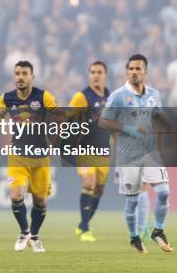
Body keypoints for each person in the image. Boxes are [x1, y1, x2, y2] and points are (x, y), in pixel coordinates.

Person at [99, 54, 174, 253]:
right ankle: (134, 237)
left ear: (145, 71)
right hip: (127, 156)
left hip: (150, 153)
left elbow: (157, 117)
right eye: (131, 69)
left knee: (164, 192)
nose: (133, 72)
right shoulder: (118, 95)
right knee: (132, 201)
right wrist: (127, 129)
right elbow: (103, 121)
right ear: (127, 71)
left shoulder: (154, 94)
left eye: (138, 69)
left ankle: (158, 230)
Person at [0, 60, 57, 253]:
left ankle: (35, 236)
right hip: (18, 156)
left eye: (24, 73)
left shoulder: (43, 97)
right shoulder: (7, 98)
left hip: (40, 157)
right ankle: (24, 232)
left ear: (32, 77)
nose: (20, 77)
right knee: (15, 196)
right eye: (17, 73)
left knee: (40, 201)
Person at [70, 61, 110, 242]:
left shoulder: (110, 96)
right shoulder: (82, 97)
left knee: (99, 190)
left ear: (105, 75)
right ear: (89, 75)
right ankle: (86, 229)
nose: (95, 75)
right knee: (89, 182)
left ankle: (82, 224)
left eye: (99, 72)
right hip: (85, 149)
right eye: (92, 72)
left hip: (103, 152)